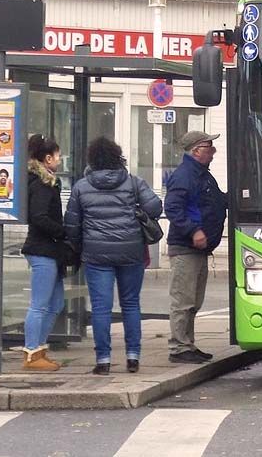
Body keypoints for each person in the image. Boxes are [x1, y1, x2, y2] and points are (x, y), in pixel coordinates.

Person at [65, 137, 162, 375]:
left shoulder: (81, 187)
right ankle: (133, 356)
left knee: (101, 308)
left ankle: (104, 360)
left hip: (96, 254)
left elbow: (72, 225)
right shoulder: (133, 182)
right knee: (130, 304)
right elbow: (156, 208)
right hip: (131, 252)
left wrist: (77, 250)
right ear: (118, 157)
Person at [164, 131, 228, 364]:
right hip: (186, 248)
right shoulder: (185, 175)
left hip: (198, 249)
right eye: (209, 147)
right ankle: (179, 348)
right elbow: (172, 207)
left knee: (193, 301)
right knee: (183, 301)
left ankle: (187, 344)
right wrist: (194, 231)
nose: (213, 151)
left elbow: (217, 201)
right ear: (195, 150)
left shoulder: (202, 175)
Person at [21, 135, 69, 371]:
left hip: (50, 249)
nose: (60, 159)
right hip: (42, 249)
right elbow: (38, 217)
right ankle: (32, 352)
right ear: (47, 158)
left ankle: (39, 348)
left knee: (56, 303)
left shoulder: (46, 181)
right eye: (58, 155)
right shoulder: (41, 184)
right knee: (40, 304)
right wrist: (62, 232)